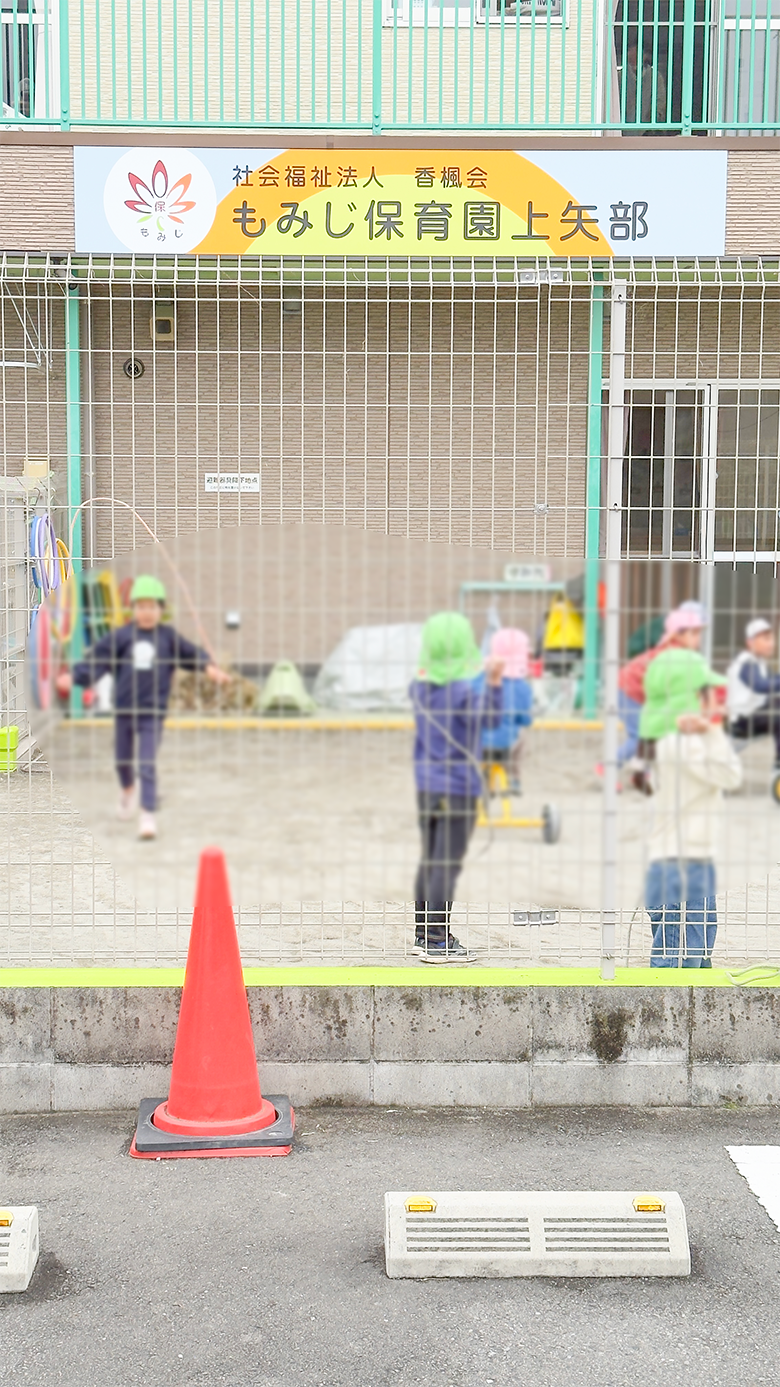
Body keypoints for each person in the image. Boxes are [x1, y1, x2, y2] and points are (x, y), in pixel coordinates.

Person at [55, 575, 231, 841]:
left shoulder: (168, 637)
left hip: (153, 711)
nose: (147, 612)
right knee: (122, 761)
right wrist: (76, 677)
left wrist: (209, 667)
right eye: (141, 606)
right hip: (125, 709)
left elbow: (190, 654)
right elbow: (99, 660)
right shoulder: (122, 637)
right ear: (133, 608)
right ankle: (127, 790)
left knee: (146, 762)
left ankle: (147, 815)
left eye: (152, 606)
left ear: (162, 609)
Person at [410, 611, 504, 964]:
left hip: (428, 784)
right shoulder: (463, 691)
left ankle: (424, 933)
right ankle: (437, 941)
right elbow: (490, 720)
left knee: (431, 859)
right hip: (458, 786)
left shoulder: (420, 687)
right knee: (446, 863)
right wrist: (494, 682)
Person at [644, 654, 742, 967]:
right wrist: (711, 731)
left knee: (692, 923)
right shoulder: (679, 743)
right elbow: (728, 775)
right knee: (677, 935)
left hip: (691, 846)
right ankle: (677, 980)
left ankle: (691, 973)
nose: (715, 703)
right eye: (708, 696)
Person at [633, 601, 707, 792]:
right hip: (631, 690)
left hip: (651, 702)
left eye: (700, 633)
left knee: (651, 732)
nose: (699, 639)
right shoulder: (677, 655)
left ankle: (644, 767)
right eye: (695, 633)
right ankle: (637, 766)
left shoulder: (671, 651)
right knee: (647, 732)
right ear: (678, 634)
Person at [481, 627, 533, 795]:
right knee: (521, 734)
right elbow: (526, 720)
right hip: (505, 746)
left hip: (477, 743)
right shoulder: (523, 688)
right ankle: (513, 778)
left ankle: (482, 777)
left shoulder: (481, 680)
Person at [727, 618, 780, 766]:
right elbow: (760, 685)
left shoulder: (759, 662)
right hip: (742, 720)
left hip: (755, 713)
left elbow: (774, 680)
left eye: (772, 638)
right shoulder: (746, 662)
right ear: (750, 642)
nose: (771, 643)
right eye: (766, 639)